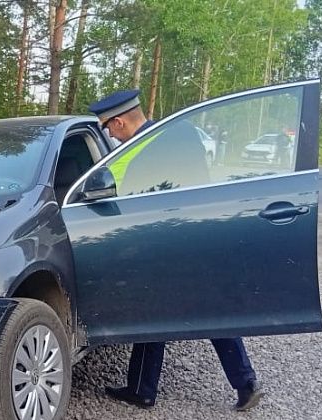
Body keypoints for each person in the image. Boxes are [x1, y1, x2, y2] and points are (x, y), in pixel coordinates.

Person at [88, 89, 265, 411]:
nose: (109, 134)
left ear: (118, 121)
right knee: (207, 311)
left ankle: (142, 390)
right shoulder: (180, 134)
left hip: (164, 244)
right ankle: (245, 382)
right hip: (197, 237)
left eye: (107, 127)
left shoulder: (137, 153)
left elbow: (129, 203)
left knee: (152, 314)